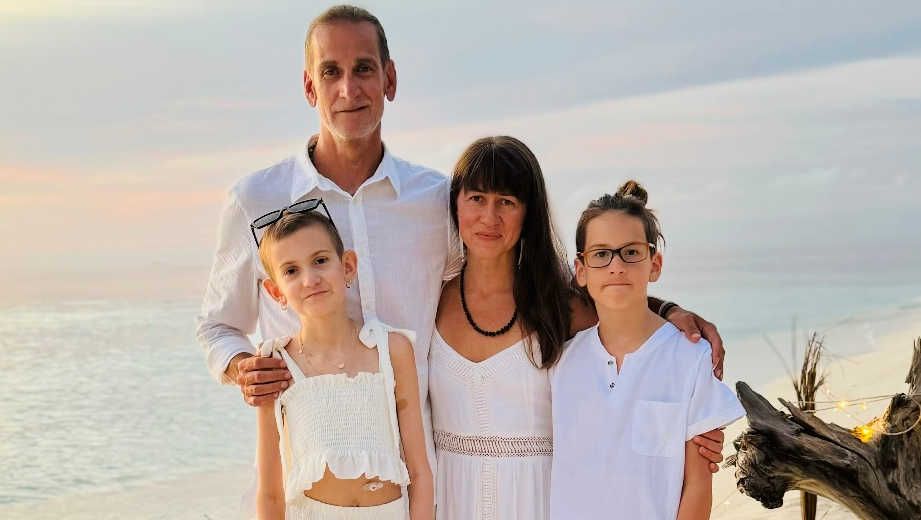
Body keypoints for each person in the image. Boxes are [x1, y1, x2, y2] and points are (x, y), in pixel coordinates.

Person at [195, 5, 727, 515]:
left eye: (364, 69)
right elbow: (218, 325)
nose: (348, 89)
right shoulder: (256, 200)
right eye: (330, 71)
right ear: (310, 86)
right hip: (307, 486)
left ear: (390, 79)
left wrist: (665, 311)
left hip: (422, 485)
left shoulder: (436, 200)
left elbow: (545, 275)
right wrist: (244, 369)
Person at [429, 137, 730, 519]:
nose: (490, 217)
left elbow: (624, 310)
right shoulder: (429, 297)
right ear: (455, 203)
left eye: (507, 202)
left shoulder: (560, 306)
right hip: (450, 500)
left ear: (529, 213)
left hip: (542, 502)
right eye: (476, 198)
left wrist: (687, 419)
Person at [549, 182, 746, 520]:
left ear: (655, 264)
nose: (616, 266)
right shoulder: (562, 363)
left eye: (631, 252)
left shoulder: (691, 358)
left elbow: (697, 488)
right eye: (601, 254)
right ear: (580, 270)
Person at [252, 207, 432, 519]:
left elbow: (419, 472)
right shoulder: (276, 363)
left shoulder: (391, 350)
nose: (310, 279)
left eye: (320, 261)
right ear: (275, 291)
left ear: (347, 266)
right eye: (291, 271)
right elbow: (270, 494)